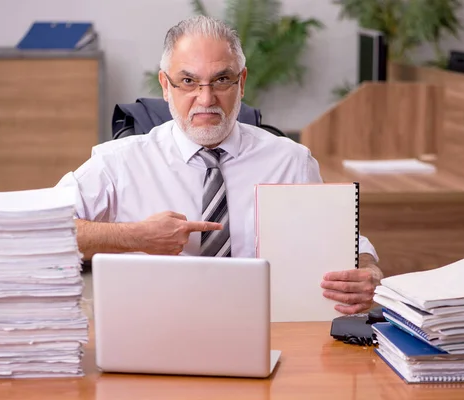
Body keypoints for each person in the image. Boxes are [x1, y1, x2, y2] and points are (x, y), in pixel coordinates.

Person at [56, 15, 383, 315]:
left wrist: (367, 270)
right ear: (165, 86)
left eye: (221, 79)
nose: (206, 99)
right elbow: (44, 232)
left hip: (267, 328)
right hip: (153, 327)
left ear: (241, 82)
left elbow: (343, 240)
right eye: (187, 81)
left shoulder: (291, 161)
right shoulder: (118, 163)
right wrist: (135, 236)